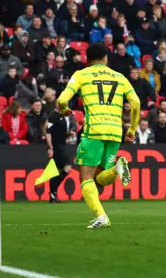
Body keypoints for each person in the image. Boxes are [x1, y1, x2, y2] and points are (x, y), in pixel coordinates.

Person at [56, 43, 140, 228]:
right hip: (115, 131)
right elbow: (135, 102)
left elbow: (61, 99)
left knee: (85, 179)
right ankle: (117, 168)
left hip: (94, 130)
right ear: (105, 58)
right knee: (100, 179)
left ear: (88, 59)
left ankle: (101, 216)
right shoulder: (119, 77)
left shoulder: (81, 75)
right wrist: (132, 129)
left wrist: (64, 109)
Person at [45, 102, 73, 203]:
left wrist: (69, 134)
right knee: (67, 168)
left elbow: (59, 132)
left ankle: (53, 194)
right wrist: (50, 147)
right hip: (56, 147)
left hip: (61, 145)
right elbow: (48, 132)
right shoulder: (53, 116)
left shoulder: (62, 116)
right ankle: (53, 192)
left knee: (57, 170)